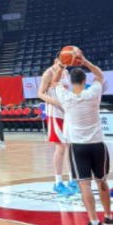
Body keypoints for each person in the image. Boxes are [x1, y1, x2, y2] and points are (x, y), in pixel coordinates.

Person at [39, 55, 113, 225]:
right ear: (84, 81)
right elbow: (100, 75)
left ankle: (94, 223)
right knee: (102, 181)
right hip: (98, 145)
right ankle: (109, 218)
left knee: (84, 185)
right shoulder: (94, 93)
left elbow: (54, 82)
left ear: (71, 82)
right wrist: (86, 62)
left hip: (79, 147)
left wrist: (60, 66)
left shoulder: (65, 97)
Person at [39, 57, 78, 196]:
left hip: (66, 113)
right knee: (60, 147)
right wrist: (55, 101)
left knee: (70, 147)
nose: (64, 66)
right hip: (55, 114)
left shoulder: (65, 73)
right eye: (62, 63)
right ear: (56, 61)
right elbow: (40, 94)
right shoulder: (48, 73)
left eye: (66, 64)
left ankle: (72, 180)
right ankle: (58, 182)